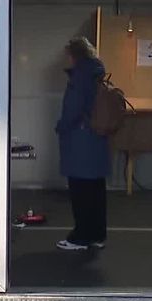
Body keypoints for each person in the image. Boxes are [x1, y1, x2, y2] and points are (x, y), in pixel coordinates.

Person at [55, 36, 110, 250]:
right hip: (96, 141)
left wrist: (61, 126)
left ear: (74, 55)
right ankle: (97, 234)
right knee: (96, 190)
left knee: (80, 191)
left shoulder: (80, 76)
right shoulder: (97, 74)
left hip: (80, 142)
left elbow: (73, 109)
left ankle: (80, 237)